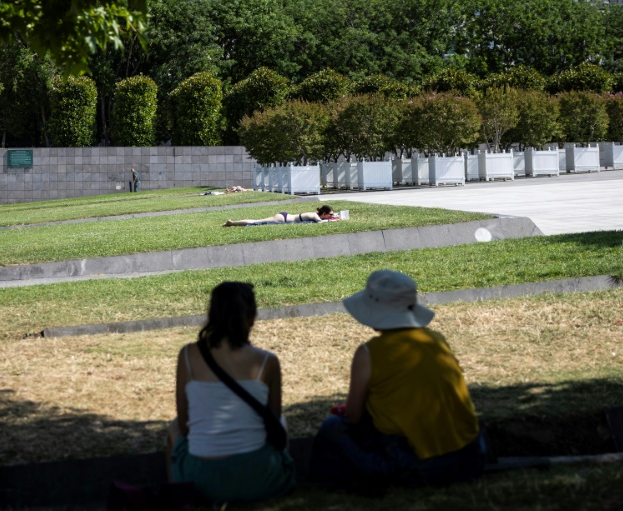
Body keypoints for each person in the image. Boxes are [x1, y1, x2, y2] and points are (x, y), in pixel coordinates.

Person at [310, 270, 487, 490]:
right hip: (472, 456)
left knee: (332, 427)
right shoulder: (436, 340)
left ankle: (332, 485)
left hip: (417, 466)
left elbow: (353, 416)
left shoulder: (369, 352)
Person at [167, 282, 296, 504]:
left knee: (173, 428)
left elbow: (185, 424)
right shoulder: (267, 362)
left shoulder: (188, 356)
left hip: (201, 479)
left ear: (212, 315)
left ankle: (179, 495)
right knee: (281, 421)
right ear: (252, 318)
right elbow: (272, 420)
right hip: (258, 477)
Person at [223, 205, 335, 227]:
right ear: (324, 214)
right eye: (330, 215)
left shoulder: (316, 215)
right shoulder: (315, 216)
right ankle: (231, 223)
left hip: (285, 217)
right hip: (282, 218)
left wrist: (335, 218)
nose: (331, 216)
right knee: (256, 222)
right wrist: (334, 221)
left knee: (256, 221)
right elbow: (321, 223)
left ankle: (232, 223)